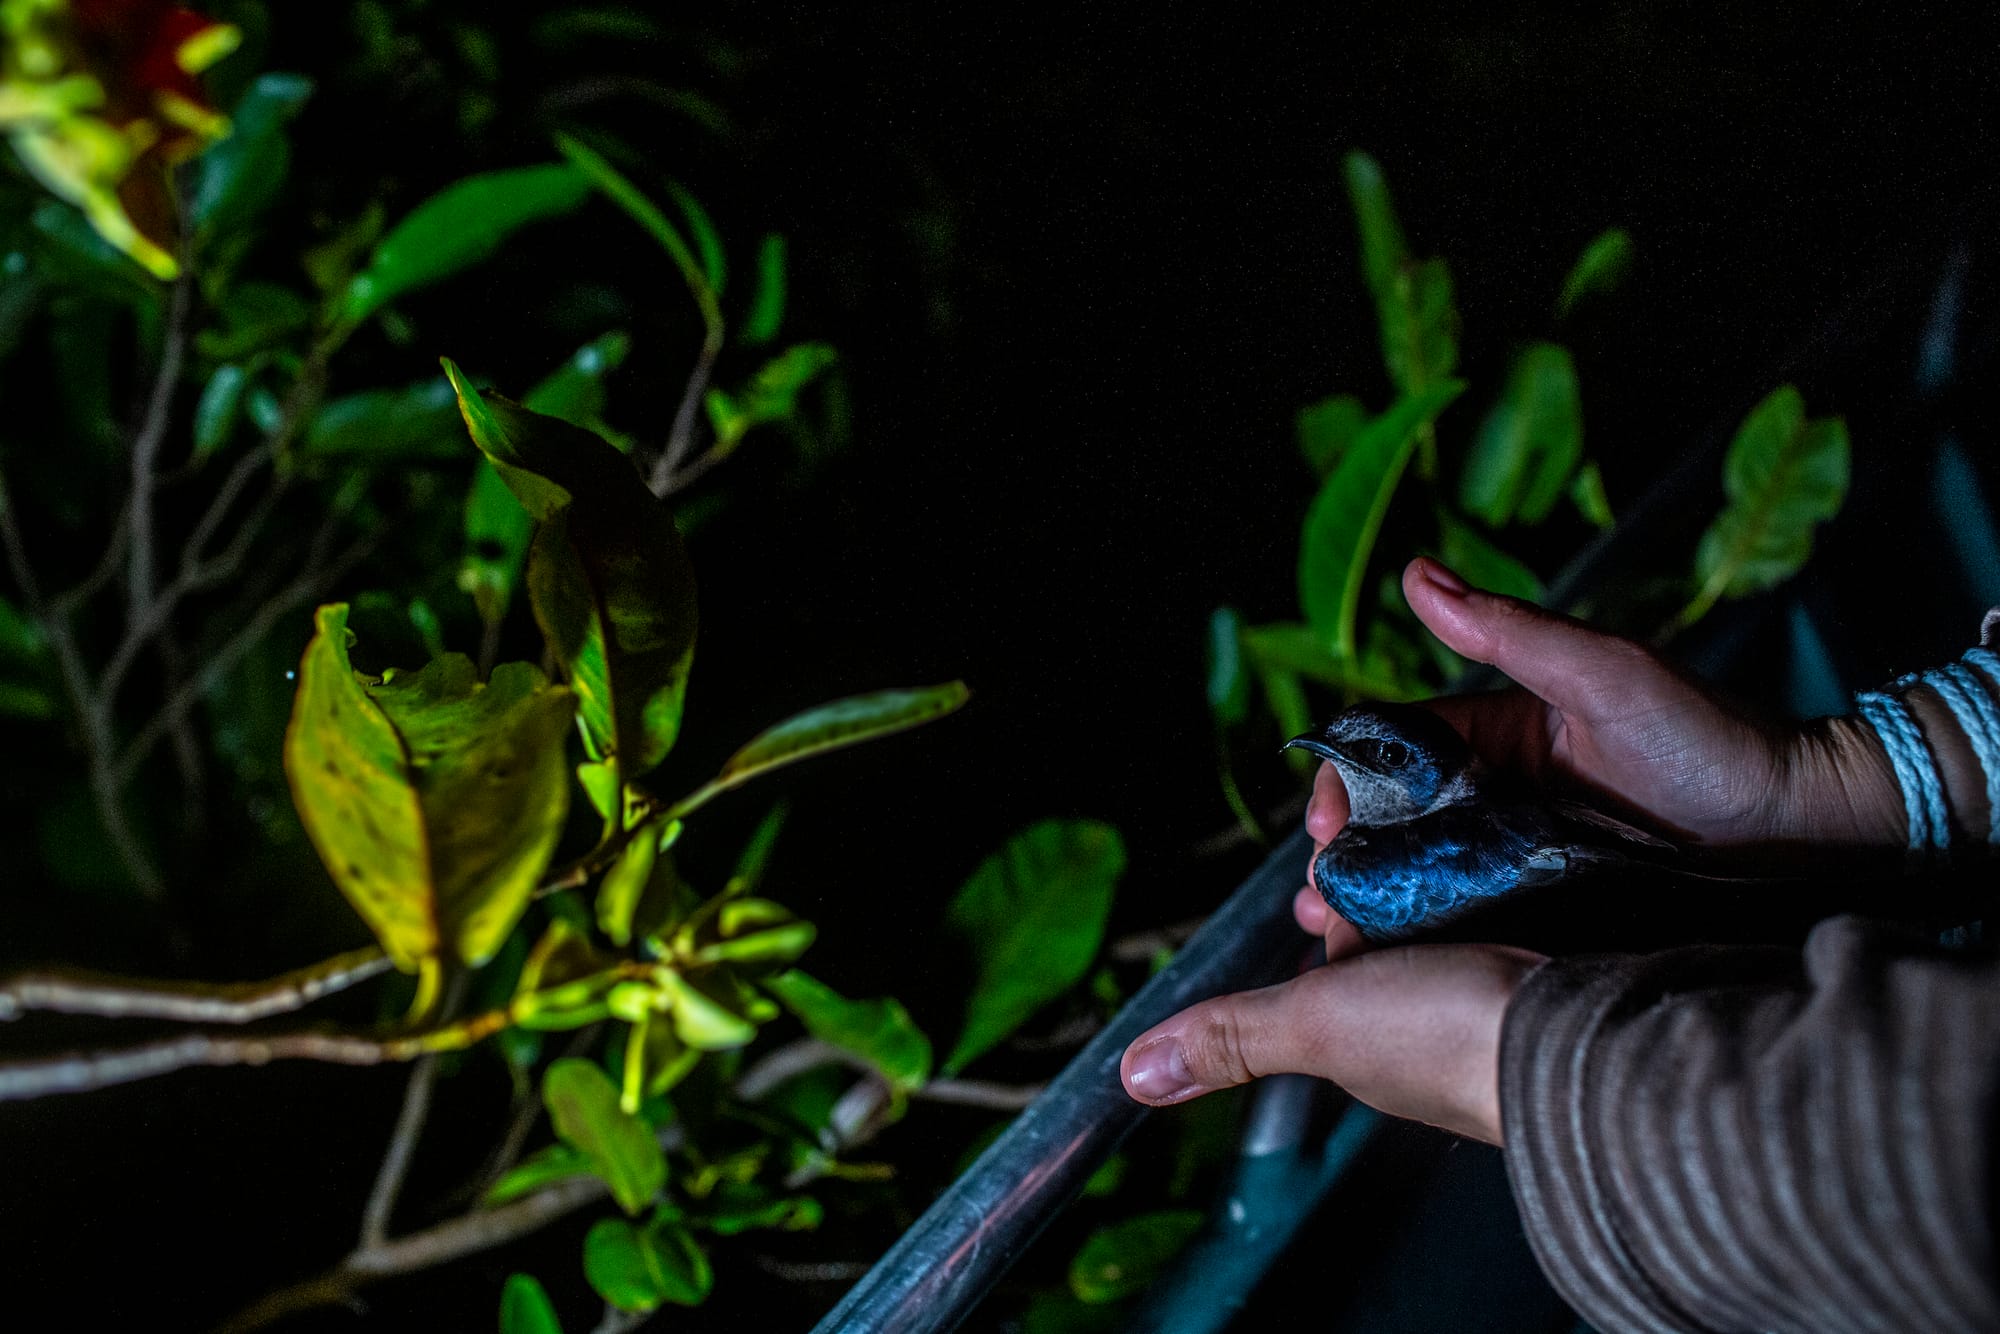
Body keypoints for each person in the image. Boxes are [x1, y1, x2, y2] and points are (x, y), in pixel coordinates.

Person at [1121, 556, 1999, 1332]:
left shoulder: (1358, 867)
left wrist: (1516, 1062)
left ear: (1426, 776)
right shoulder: (1420, 833)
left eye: (1377, 761)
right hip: (1663, 898)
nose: (1342, 765)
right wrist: (1839, 790)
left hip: (1634, 925)